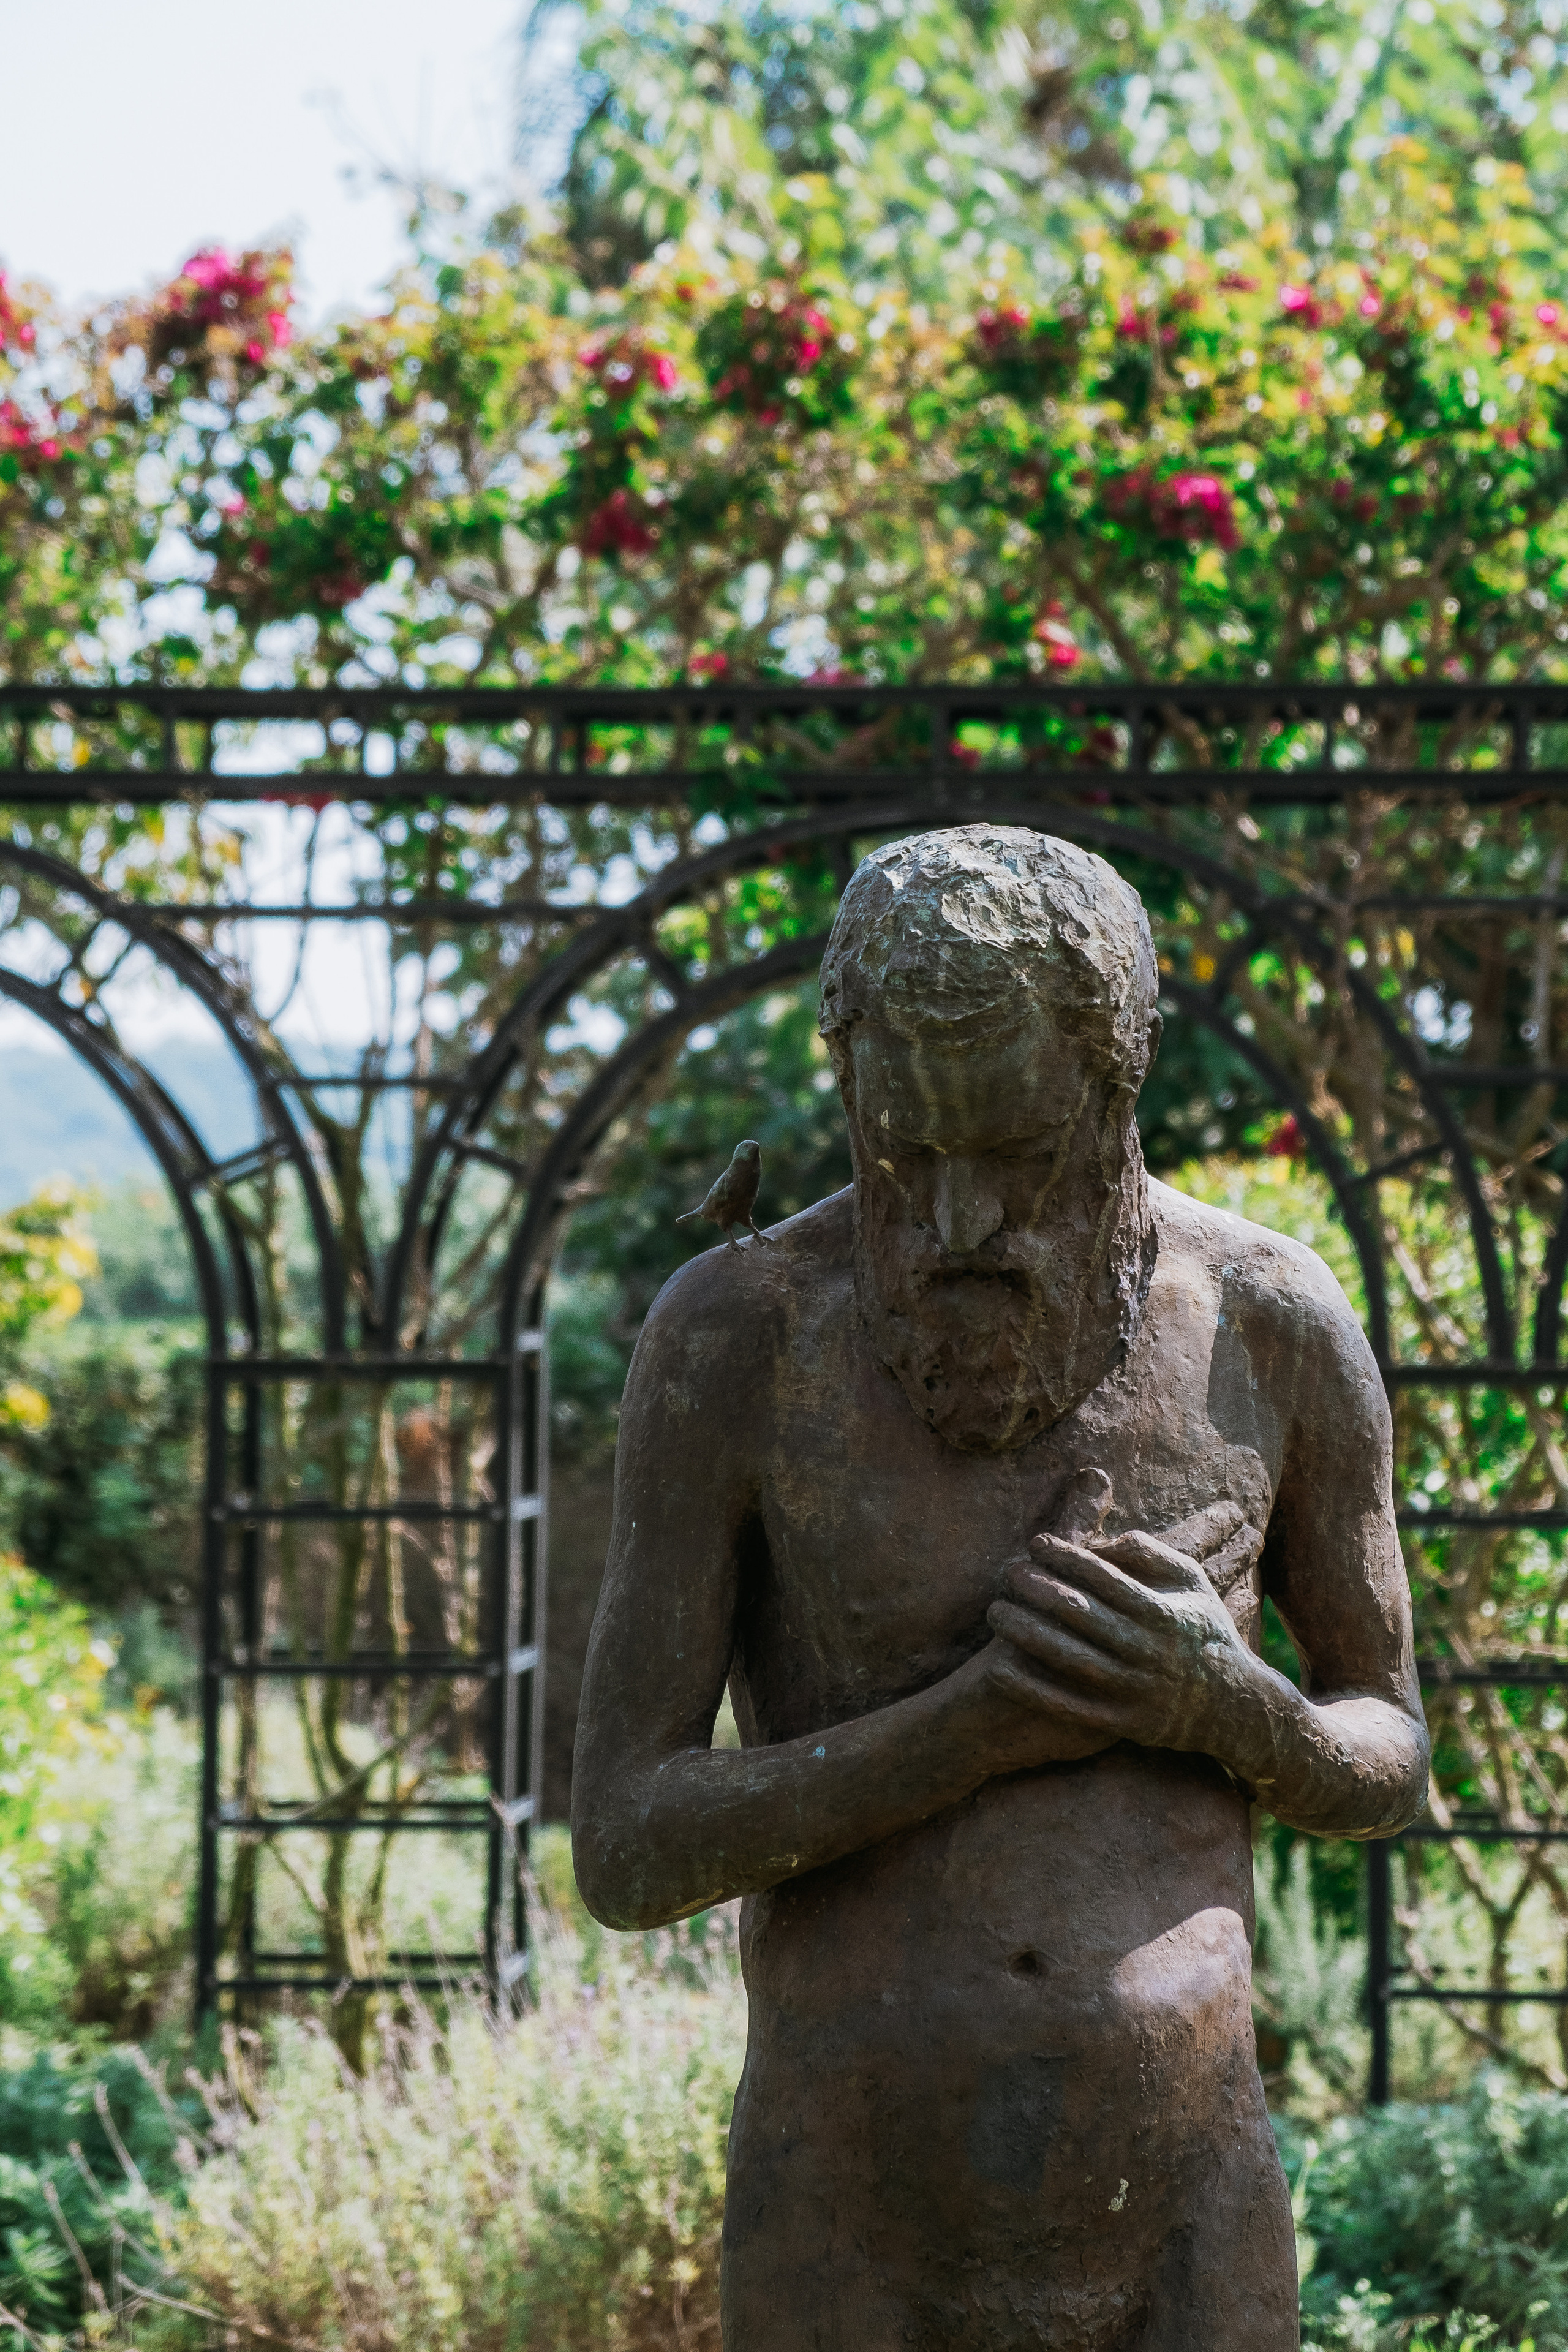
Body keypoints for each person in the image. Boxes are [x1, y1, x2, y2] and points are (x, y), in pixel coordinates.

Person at [573, 825, 1428, 2351]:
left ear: (1115, 1089)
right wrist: (967, 1731)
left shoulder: (1267, 1322)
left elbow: (1389, 1753)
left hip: (1182, 2200)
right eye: (904, 1152)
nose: (959, 1221)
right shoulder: (740, 1336)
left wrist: (1226, 1709)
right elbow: (627, 1846)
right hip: (846, 2196)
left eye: (1017, 1154)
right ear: (848, 1087)